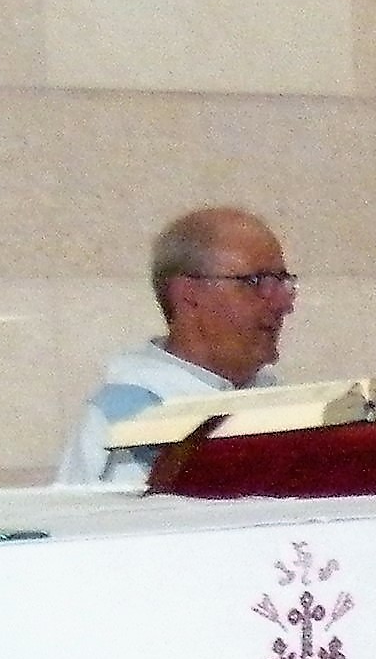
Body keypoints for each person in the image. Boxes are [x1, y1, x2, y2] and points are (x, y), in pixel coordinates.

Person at [52, 207, 297, 487]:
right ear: (188, 293)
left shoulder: (284, 406)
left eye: (282, 282)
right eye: (255, 282)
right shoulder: (124, 422)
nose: (283, 304)